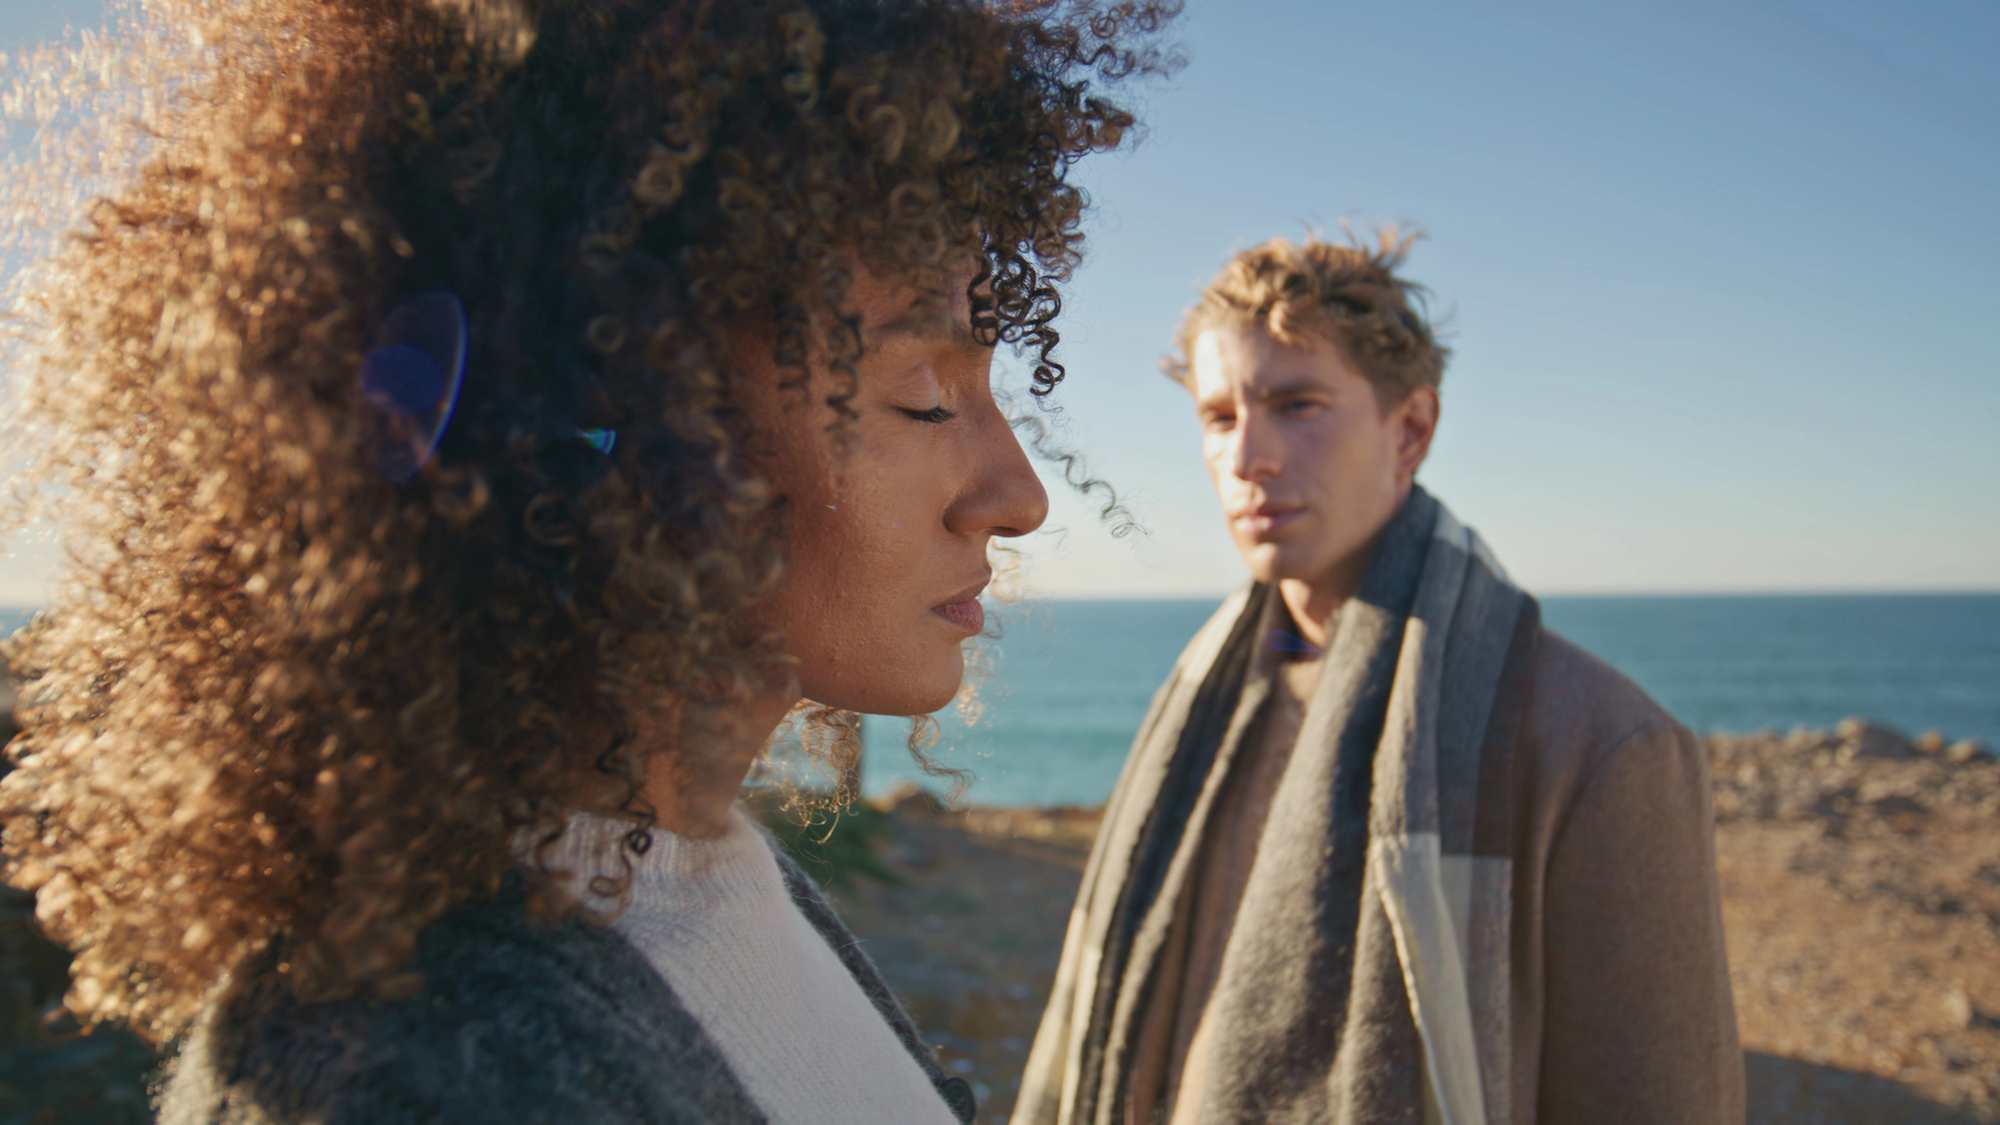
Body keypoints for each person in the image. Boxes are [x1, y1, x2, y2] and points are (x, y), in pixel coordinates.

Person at [0, 1, 1175, 1122]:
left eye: (987, 386)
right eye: (925, 395)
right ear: (611, 416)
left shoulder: (697, 876)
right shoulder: (427, 1080)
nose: (1016, 499)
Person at [1016, 234, 1744, 1125]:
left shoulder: (1600, 746)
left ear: (1411, 429)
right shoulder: (1202, 699)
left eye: (1297, 404)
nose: (1250, 459)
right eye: (1219, 416)